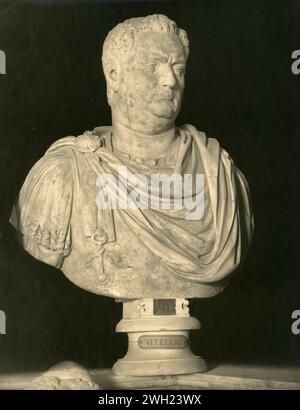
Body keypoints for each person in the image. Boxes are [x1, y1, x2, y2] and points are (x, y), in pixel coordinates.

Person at [10, 15, 253, 299]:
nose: (170, 81)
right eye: (154, 67)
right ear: (114, 75)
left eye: (179, 68)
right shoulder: (62, 175)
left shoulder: (222, 176)